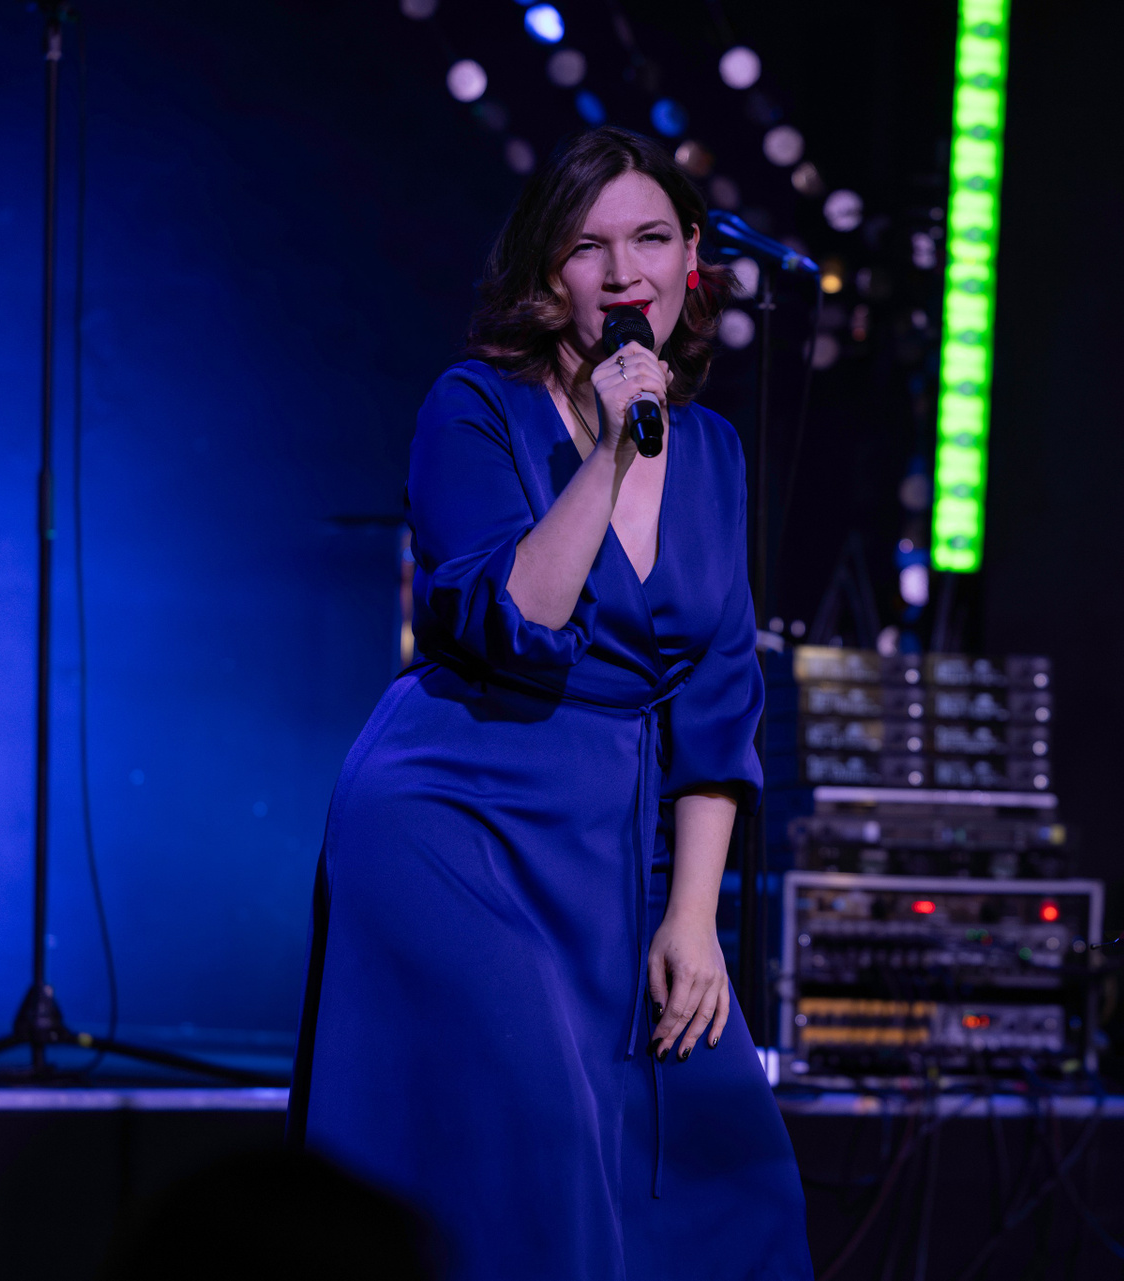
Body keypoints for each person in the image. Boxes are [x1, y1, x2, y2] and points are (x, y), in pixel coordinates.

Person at [287, 126, 812, 1281]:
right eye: (588, 247)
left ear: (691, 259)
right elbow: (516, 617)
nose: (624, 273)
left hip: (617, 841)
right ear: (546, 273)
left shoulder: (714, 453)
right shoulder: (474, 406)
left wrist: (694, 918)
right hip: (459, 815)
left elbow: (719, 696)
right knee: (537, 1153)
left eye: (652, 239)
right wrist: (612, 453)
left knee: (728, 1167)